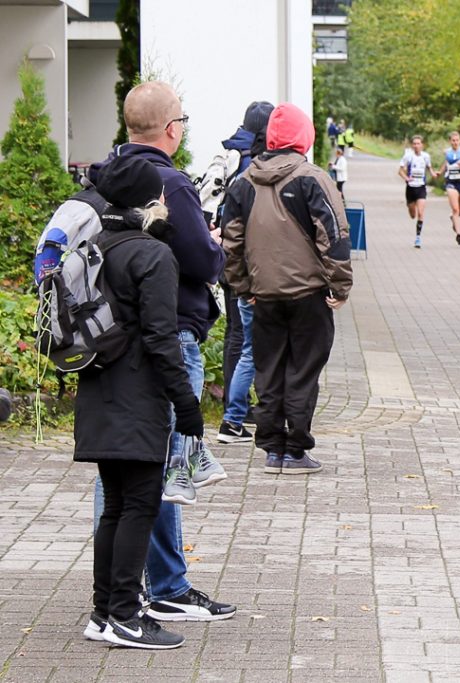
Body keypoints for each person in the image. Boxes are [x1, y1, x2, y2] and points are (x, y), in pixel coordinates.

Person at [87, 81, 236, 623]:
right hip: (167, 336)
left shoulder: (103, 179)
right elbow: (200, 260)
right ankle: (159, 588)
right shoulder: (167, 182)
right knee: (157, 469)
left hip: (112, 342)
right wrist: (215, 247)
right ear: (173, 128)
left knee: (123, 471)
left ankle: (118, 591)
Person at [76, 155, 201, 649]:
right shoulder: (152, 255)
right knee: (140, 505)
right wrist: (186, 404)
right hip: (137, 396)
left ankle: (103, 611)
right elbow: (161, 340)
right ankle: (126, 616)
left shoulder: (95, 246)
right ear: (152, 202)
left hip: (98, 390)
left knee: (116, 507)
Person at [222, 103, 353, 475]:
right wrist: (340, 285)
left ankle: (273, 450)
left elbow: (231, 241)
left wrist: (242, 285)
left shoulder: (243, 183)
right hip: (309, 294)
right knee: (302, 369)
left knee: (269, 369)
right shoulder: (312, 178)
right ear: (304, 137)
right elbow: (334, 235)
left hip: (264, 295)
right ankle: (295, 450)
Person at [217, 101, 274, 444]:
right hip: (243, 263)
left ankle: (234, 406)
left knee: (235, 334)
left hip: (225, 257)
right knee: (244, 338)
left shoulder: (232, 154)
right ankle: (237, 409)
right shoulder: (253, 163)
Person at [399, 135, 439, 248]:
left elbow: (429, 168)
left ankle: (418, 238)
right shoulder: (408, 156)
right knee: (413, 214)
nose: (416, 146)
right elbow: (400, 171)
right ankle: (410, 207)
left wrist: (434, 174)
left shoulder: (426, 156)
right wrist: (406, 178)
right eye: (414, 143)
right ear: (412, 145)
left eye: (418, 143)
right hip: (411, 188)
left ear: (422, 145)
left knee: (421, 213)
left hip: (421, 188)